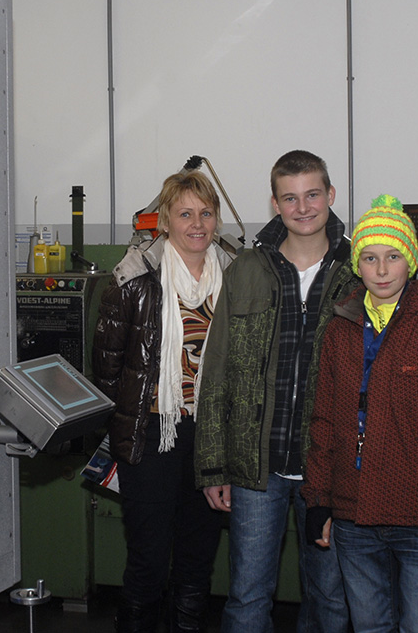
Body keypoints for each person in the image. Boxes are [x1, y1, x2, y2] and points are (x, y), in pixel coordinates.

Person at [302, 194, 418, 633]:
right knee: (369, 625)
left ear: (411, 261)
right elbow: (324, 422)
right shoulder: (339, 330)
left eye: (393, 256)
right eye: (370, 258)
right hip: (352, 514)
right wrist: (317, 499)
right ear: (357, 265)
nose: (382, 270)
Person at [195, 149, 356, 633]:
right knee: (247, 596)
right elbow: (216, 370)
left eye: (312, 195)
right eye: (290, 198)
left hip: (327, 467)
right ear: (275, 203)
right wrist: (213, 465)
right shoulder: (246, 269)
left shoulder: (358, 271)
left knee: (331, 598)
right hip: (255, 467)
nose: (302, 208)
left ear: (331, 195)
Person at [92, 169, 235, 633]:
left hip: (210, 436)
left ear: (217, 219)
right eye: (185, 213)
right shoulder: (135, 278)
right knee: (148, 559)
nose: (197, 224)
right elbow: (107, 369)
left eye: (206, 213)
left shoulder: (235, 276)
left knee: (197, 559)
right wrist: (119, 435)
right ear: (166, 220)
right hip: (153, 435)